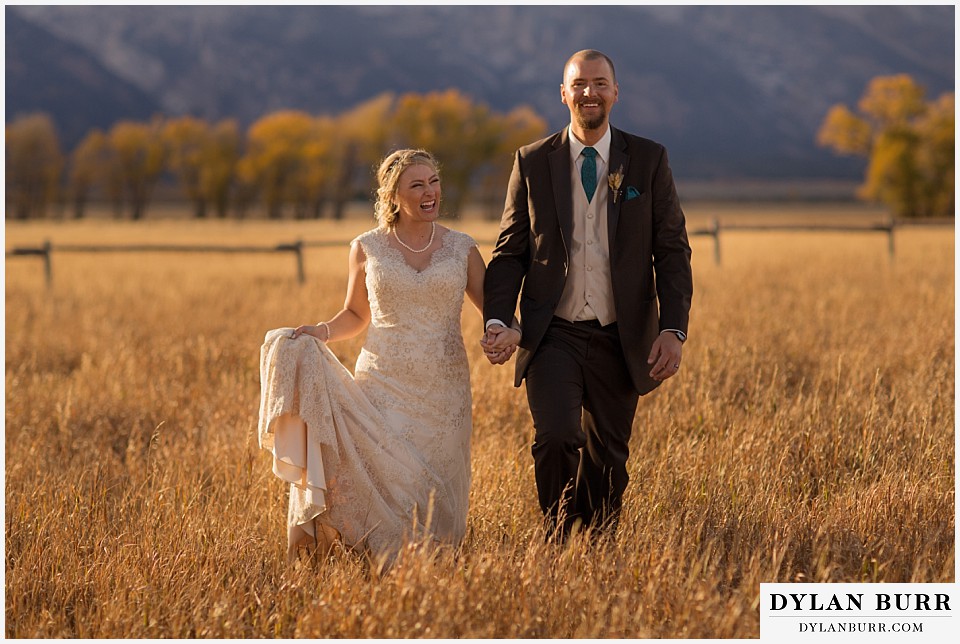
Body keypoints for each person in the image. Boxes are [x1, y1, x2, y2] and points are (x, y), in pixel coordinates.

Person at [258, 149, 514, 567]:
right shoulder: (366, 247)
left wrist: (505, 332)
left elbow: (494, 311)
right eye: (417, 185)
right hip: (382, 380)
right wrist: (319, 332)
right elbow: (357, 313)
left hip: (444, 389)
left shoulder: (463, 248)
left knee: (433, 487)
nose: (430, 192)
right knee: (384, 475)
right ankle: (381, 561)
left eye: (433, 181)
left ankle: (430, 569)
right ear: (394, 195)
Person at [481, 49, 693, 541]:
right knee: (556, 437)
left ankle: (595, 545)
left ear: (615, 93)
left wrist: (673, 328)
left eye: (600, 83)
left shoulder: (648, 158)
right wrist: (499, 318)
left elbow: (672, 250)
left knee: (609, 453)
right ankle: (558, 539)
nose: (589, 92)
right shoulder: (532, 161)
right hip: (552, 331)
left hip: (622, 334)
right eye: (579, 84)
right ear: (563, 93)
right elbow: (510, 252)